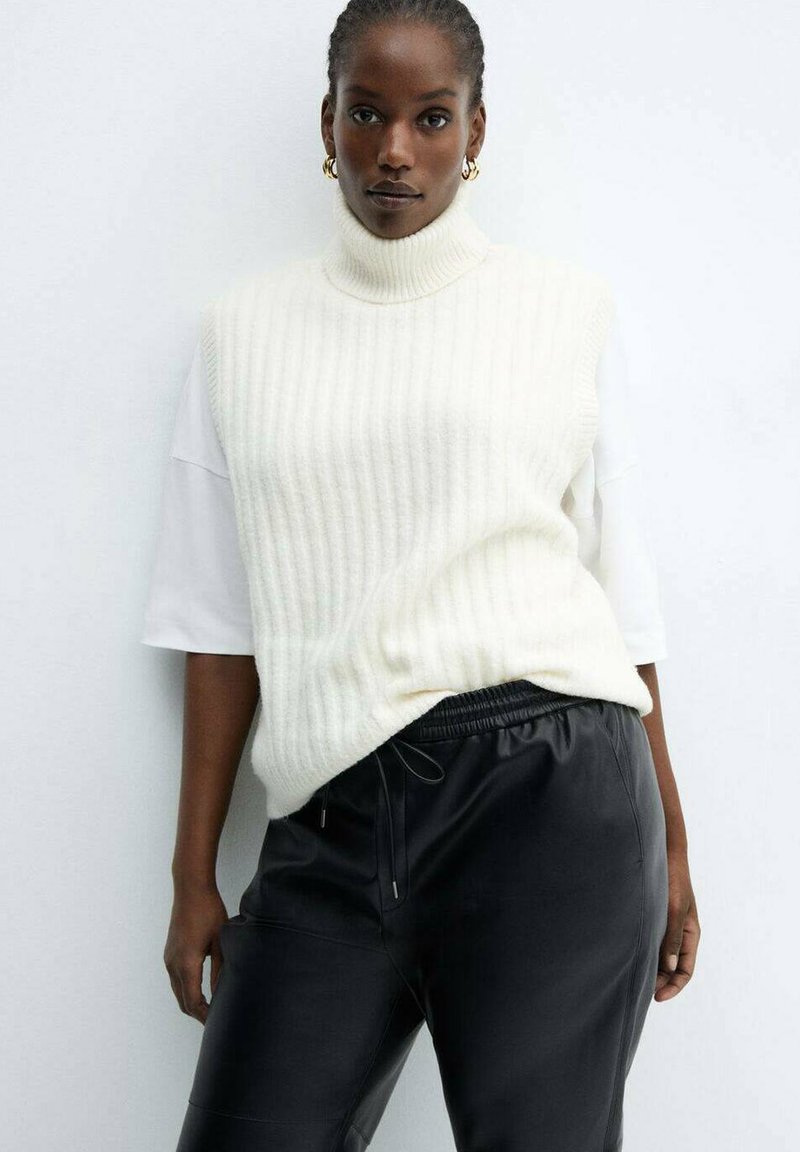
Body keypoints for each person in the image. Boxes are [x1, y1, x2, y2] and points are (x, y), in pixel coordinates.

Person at [141, 3, 700, 1149]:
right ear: (328, 123)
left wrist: (676, 848)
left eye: (430, 119)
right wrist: (192, 873)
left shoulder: (560, 312)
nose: (394, 149)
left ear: (473, 132)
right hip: (331, 820)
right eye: (367, 115)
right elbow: (218, 621)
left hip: (549, 790)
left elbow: (617, 591)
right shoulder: (240, 335)